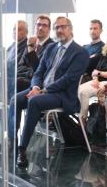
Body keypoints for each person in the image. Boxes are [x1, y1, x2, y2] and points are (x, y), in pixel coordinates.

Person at [12, 16, 90, 169]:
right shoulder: (51, 48)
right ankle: (12, 140)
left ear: (70, 29)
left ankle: (22, 149)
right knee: (16, 99)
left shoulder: (80, 52)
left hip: (62, 94)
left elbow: (68, 79)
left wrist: (44, 90)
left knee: (34, 101)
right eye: (57, 27)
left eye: (63, 27)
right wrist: (35, 87)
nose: (59, 30)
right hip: (41, 89)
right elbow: (38, 72)